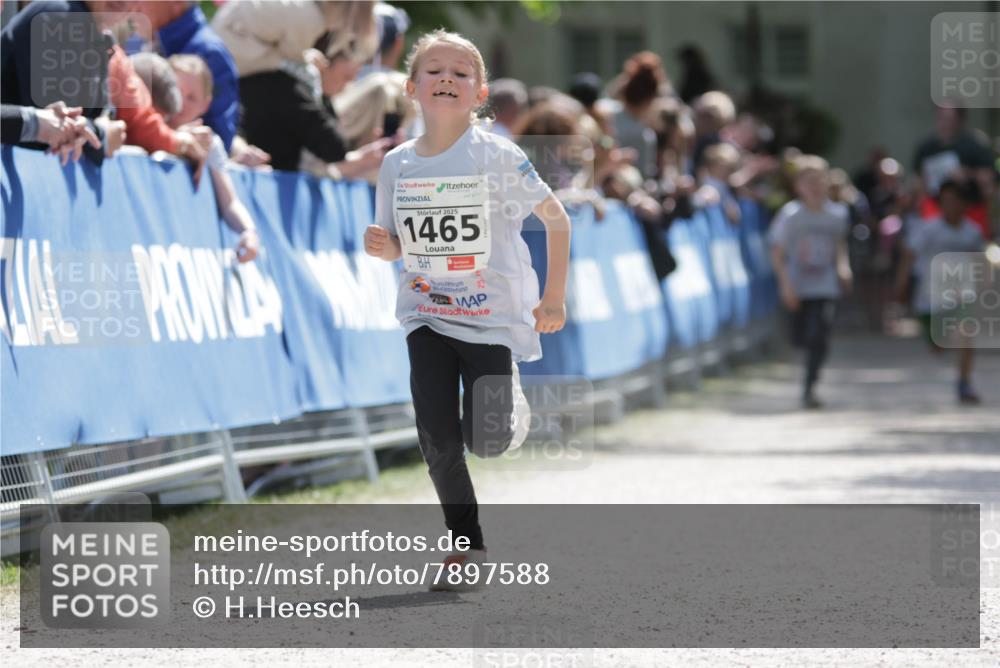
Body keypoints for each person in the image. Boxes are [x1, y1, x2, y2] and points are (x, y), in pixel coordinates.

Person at [363, 30, 570, 589]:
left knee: (488, 441)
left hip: (490, 317)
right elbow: (398, 244)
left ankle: (506, 404)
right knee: (437, 437)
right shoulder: (397, 164)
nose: (446, 79)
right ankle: (466, 545)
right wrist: (385, 247)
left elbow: (556, 219)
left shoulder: (497, 154)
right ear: (411, 88)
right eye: (434, 70)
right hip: (425, 312)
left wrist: (553, 296)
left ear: (479, 93)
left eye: (460, 72)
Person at [0, 0, 131, 163]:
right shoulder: (61, 15)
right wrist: (101, 135)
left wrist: (99, 130)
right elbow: (56, 125)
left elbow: (74, 122)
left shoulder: (99, 36)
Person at [769, 155, 852, 409]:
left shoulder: (838, 213)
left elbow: (839, 244)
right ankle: (808, 378)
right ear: (799, 186)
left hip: (825, 284)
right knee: (800, 337)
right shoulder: (790, 215)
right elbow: (777, 253)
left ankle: (809, 386)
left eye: (819, 180)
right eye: (809, 181)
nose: (815, 187)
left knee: (819, 334)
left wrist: (843, 267)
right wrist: (785, 285)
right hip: (798, 284)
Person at [894, 179, 986, 404]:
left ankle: (964, 382)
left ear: (964, 203)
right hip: (930, 296)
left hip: (962, 293)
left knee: (966, 335)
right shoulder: (928, 229)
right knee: (937, 344)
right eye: (946, 201)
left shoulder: (973, 232)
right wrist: (902, 284)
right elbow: (909, 255)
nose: (951, 205)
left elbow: (980, 262)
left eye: (955, 200)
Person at [912, 105, 997, 237]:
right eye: (941, 118)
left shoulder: (975, 146)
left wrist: (968, 174)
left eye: (950, 119)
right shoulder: (926, 148)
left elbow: (988, 179)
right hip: (936, 209)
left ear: (961, 120)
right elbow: (918, 180)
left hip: (970, 209)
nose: (945, 123)